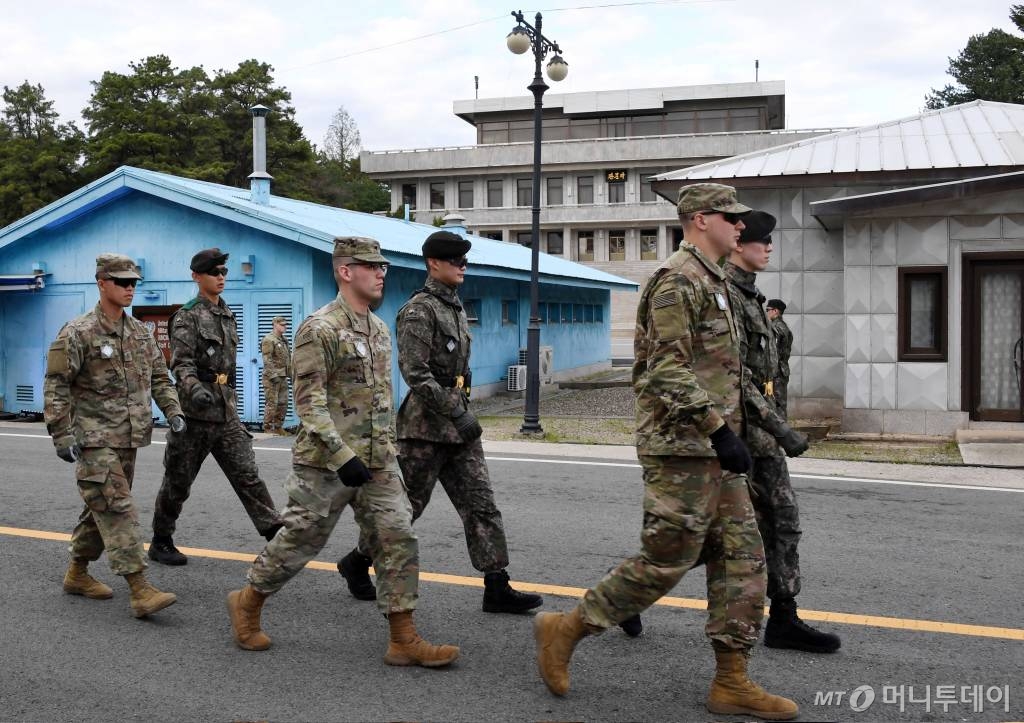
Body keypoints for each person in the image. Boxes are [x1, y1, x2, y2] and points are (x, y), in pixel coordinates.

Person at [532, 184, 798, 720]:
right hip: (681, 448)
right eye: (732, 217)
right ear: (701, 220)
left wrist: (757, 430)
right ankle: (567, 628)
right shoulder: (677, 281)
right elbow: (666, 369)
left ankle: (732, 680)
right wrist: (718, 430)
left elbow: (730, 372)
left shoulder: (718, 280)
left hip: (718, 450)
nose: (741, 227)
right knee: (667, 559)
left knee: (743, 560)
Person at [227, 236, 458, 668]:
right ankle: (248, 601)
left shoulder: (379, 328)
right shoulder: (319, 328)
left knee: (397, 536)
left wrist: (388, 452)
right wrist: (341, 454)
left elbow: (382, 399)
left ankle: (403, 638)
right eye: (371, 266)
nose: (381, 273)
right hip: (326, 462)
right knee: (300, 539)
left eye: (383, 267)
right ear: (345, 271)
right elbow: (308, 402)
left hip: (377, 461)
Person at [336, 230, 542, 615]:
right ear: (434, 264)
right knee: (406, 509)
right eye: (455, 261)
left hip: (459, 426)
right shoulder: (419, 310)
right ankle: (356, 561)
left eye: (465, 261)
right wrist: (457, 411)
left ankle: (497, 586)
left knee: (482, 505)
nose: (463, 266)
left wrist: (464, 407)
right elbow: (415, 372)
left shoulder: (456, 306)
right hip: (425, 430)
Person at [725, 213, 841, 655]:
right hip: (735, 438)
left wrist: (777, 427)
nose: (769, 247)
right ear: (739, 244)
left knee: (783, 523)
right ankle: (628, 597)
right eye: (760, 240)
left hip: (763, 439)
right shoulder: (727, 298)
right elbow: (735, 379)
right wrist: (783, 428)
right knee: (697, 537)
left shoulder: (756, 300)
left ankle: (784, 617)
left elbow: (771, 376)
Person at [44, 253, 184, 618]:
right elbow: (56, 385)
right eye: (122, 282)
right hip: (92, 440)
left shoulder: (139, 333)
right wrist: (60, 434)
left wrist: (174, 411)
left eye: (134, 282)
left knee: (101, 508)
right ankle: (140, 589)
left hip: (129, 438)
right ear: (101, 282)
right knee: (118, 508)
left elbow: (158, 378)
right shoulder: (77, 333)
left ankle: (76, 574)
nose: (129, 288)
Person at [148, 248, 283, 565]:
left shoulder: (226, 314)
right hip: (195, 414)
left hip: (225, 412)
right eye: (214, 272)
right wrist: (193, 389)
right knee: (178, 481)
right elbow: (180, 365)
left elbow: (229, 365)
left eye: (223, 272)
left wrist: (229, 396)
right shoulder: (187, 316)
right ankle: (161, 539)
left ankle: (277, 538)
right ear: (197, 277)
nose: (221, 277)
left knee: (248, 475)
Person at [260, 315, 292, 435]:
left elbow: (288, 359)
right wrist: (273, 376)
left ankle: (278, 427)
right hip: (272, 378)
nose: (285, 327)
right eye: (282, 325)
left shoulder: (284, 340)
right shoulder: (269, 339)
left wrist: (291, 375)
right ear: (275, 324)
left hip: (283, 376)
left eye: (285, 324)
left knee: (283, 403)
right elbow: (267, 360)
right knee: (272, 403)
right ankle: (267, 428)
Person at [766, 299, 793, 419]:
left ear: (775, 311)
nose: (766, 313)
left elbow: (773, 351)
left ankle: (781, 435)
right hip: (779, 371)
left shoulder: (776, 328)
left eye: (768, 310)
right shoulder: (783, 327)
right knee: (778, 404)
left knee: (777, 405)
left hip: (776, 372)